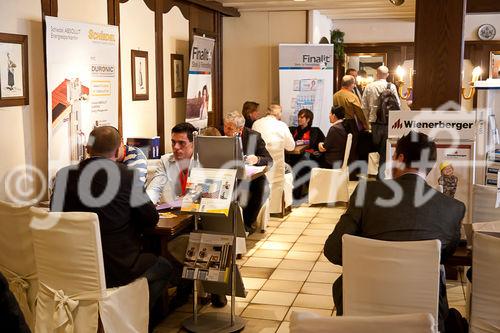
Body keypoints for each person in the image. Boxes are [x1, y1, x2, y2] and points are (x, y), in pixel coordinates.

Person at [323, 131, 465, 332]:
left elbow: (334, 251)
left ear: (400, 158)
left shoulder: (367, 193)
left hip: (361, 310)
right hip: (424, 316)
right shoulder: (453, 208)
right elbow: (444, 256)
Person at [50, 126, 172, 322]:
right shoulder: (127, 176)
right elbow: (151, 219)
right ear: (118, 151)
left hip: (71, 267)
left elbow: (54, 217)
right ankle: (132, 322)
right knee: (164, 266)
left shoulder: (64, 175)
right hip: (115, 269)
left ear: (87, 148)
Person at [223, 111, 273, 231]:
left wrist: (257, 159)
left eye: (230, 129)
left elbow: (269, 160)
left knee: (262, 188)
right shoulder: (221, 134)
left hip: (250, 177)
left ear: (240, 129)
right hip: (227, 174)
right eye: (225, 126)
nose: (226, 131)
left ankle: (247, 223)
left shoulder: (253, 136)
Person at [252, 105, 295, 213]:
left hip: (260, 168)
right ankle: (285, 204)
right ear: (279, 114)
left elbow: (251, 145)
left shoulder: (256, 124)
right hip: (277, 169)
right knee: (289, 169)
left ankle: (261, 210)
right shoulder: (282, 125)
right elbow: (291, 147)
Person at [361, 65, 401, 178]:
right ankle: (381, 174)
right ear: (387, 75)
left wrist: (368, 120)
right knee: (384, 149)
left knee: (375, 147)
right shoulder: (391, 86)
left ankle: (373, 170)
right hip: (388, 122)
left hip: (374, 123)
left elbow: (363, 106)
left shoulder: (369, 86)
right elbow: (397, 105)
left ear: (376, 74)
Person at [147, 123, 196, 204]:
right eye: (173, 142)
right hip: (175, 210)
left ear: (193, 144)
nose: (176, 147)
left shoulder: (202, 162)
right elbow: (155, 188)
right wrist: (146, 205)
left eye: (181, 143)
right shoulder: (165, 161)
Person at [287, 108, 325, 201]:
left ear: (308, 119)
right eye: (298, 117)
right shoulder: (293, 130)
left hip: (310, 156)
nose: (299, 119)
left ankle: (297, 195)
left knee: (300, 165)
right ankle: (293, 194)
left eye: (302, 117)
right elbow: (290, 142)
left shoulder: (315, 130)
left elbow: (311, 144)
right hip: (294, 155)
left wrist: (300, 142)